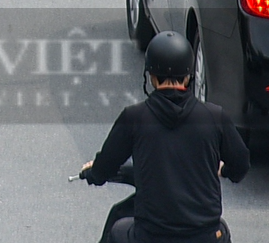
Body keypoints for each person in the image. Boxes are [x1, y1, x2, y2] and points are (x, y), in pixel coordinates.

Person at [80, 32, 249, 243]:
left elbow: (105, 166)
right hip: (204, 237)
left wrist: (94, 174)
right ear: (188, 76)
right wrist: (225, 170)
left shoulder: (134, 117)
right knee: (221, 230)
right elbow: (241, 163)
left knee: (118, 228)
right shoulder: (214, 117)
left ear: (151, 76)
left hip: (150, 237)